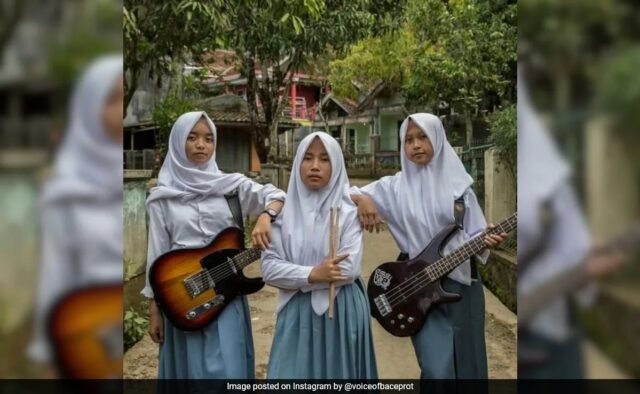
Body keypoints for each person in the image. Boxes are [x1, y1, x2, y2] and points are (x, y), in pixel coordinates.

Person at [350, 113, 507, 379]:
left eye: (423, 137)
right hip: (418, 288)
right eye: (409, 139)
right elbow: (343, 191)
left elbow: (476, 234)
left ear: (437, 138)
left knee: (469, 364)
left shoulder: (460, 188)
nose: (416, 145)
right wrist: (361, 199)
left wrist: (486, 239)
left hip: (462, 285)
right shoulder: (395, 188)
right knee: (437, 370)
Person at [141, 111, 285, 379]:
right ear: (177, 143)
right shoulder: (162, 198)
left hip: (227, 295)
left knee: (229, 373)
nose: (201, 145)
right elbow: (157, 253)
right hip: (183, 297)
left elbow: (277, 196)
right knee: (189, 377)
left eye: (208, 139)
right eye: (192, 137)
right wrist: (154, 309)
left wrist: (267, 215)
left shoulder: (231, 187)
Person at [28, 55, 124, 377]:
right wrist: (49, 357)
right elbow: (54, 277)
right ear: (86, 108)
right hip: (87, 343)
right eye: (111, 99)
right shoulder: (65, 192)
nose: (120, 110)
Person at [261, 132, 377, 379]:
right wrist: (312, 273)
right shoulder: (281, 214)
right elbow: (269, 268)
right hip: (295, 310)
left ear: (335, 165)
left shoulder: (348, 210)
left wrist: (294, 274)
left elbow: (348, 269)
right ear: (297, 164)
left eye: (324, 159)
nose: (315, 166)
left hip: (342, 309)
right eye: (308, 158)